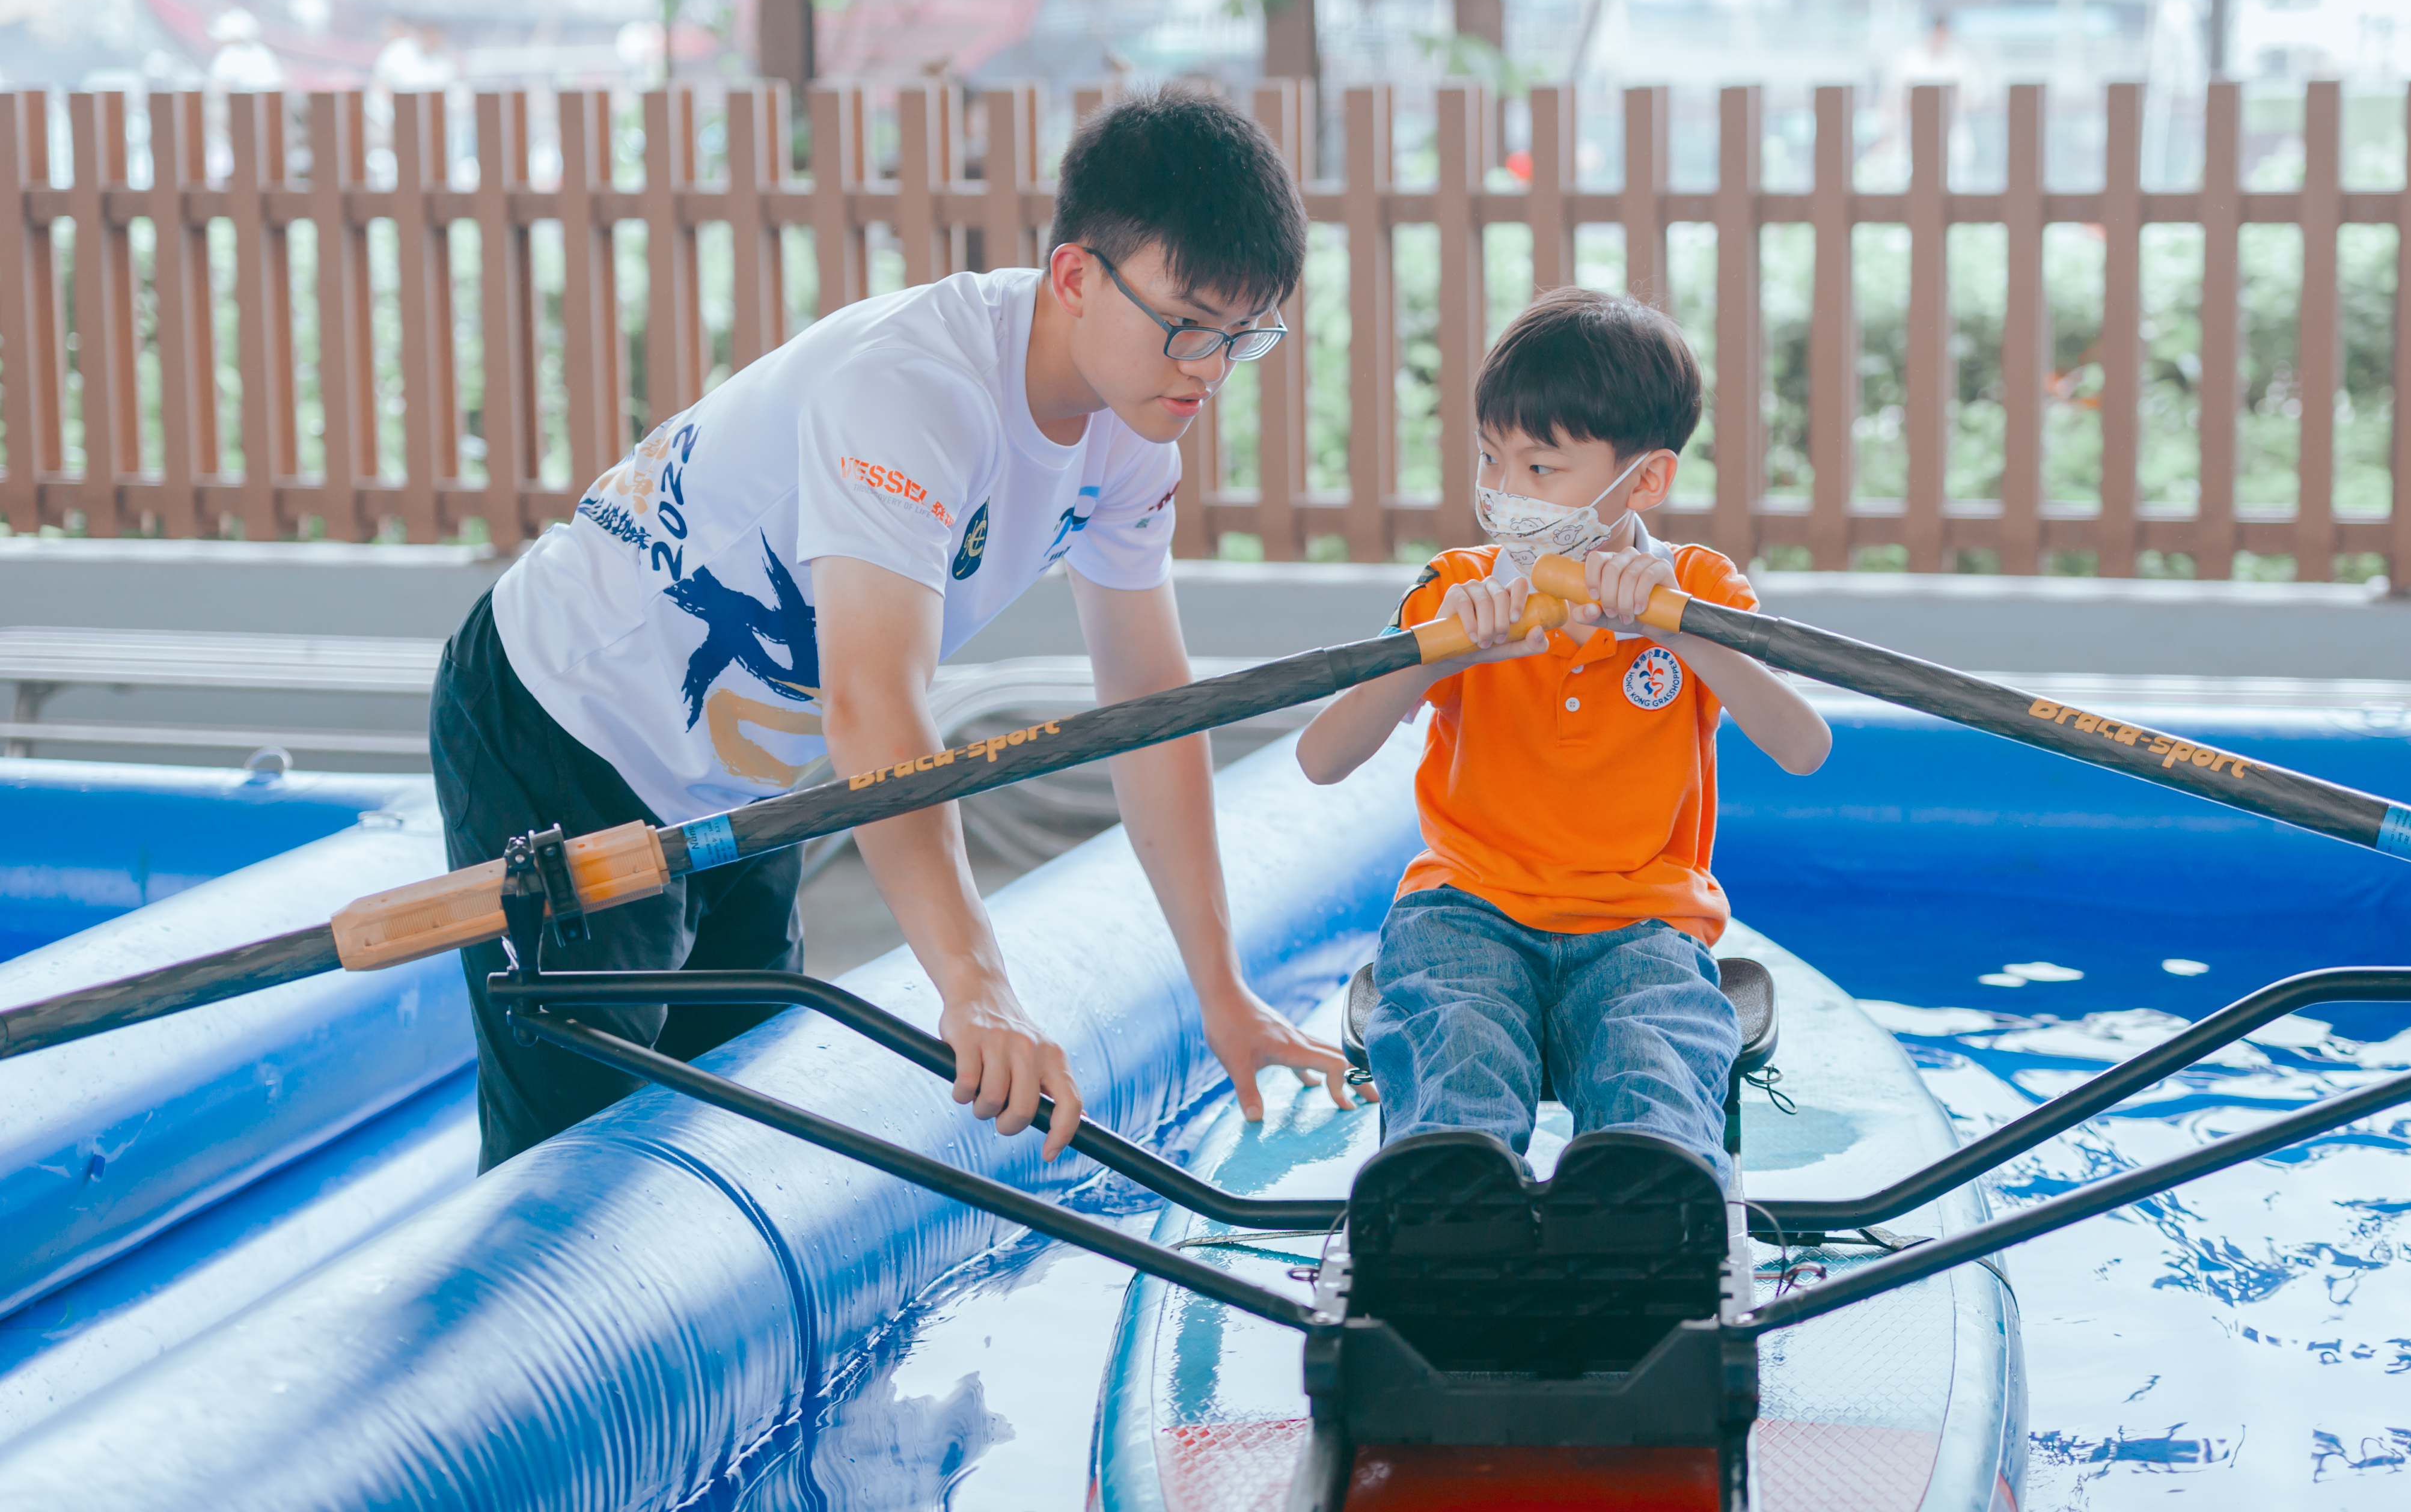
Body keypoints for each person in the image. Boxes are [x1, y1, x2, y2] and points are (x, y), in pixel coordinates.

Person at [432, 86, 1360, 1171]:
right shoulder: (919, 391)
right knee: (577, 1167)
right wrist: (979, 988)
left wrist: (1223, 993)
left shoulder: (1135, 436)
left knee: (725, 1142)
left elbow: (1152, 711)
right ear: (1074, 275)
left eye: (1243, 338)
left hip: (745, 778)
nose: (1208, 370)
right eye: (1188, 327)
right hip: (564, 729)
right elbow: (874, 699)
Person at [1295, 288, 1832, 1180]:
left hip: (1642, 921)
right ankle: (1445, 1198)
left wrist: (1683, 632)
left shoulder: (1700, 588)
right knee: (1454, 1040)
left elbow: (1803, 747)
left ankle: (1649, 1198)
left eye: (1541, 470)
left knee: (1657, 1048)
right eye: (1489, 460)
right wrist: (1438, 655)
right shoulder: (1455, 589)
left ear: (1646, 480)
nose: (1505, 494)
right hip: (1464, 909)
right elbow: (1321, 759)